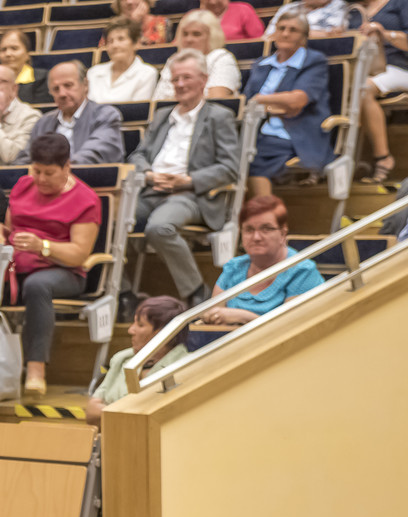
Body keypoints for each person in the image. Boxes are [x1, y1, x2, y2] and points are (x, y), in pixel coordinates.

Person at [130, 50, 241, 304]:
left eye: (186, 78)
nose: (180, 84)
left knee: (159, 228)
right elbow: (137, 155)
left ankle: (196, 294)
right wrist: (148, 175)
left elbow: (229, 167)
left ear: (204, 80)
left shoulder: (219, 117)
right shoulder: (162, 116)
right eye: (175, 79)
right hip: (151, 190)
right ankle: (125, 294)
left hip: (190, 194)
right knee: (108, 222)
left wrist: (188, 181)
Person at [5, 135, 103, 396]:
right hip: (16, 266)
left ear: (66, 167)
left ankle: (36, 369)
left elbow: (78, 254)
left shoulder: (85, 199)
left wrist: (42, 246)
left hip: (63, 271)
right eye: (36, 171)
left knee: (37, 286)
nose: (41, 179)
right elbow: (9, 229)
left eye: (49, 173)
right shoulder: (22, 186)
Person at [244, 13, 333, 198]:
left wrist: (260, 99)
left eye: (293, 30)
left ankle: (264, 210)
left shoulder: (313, 61)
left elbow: (297, 101)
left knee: (253, 156)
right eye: (281, 28)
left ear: (304, 37)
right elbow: (246, 101)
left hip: (294, 132)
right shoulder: (261, 64)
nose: (285, 34)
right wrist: (274, 105)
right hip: (256, 128)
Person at [198, 195, 323, 324]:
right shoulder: (233, 267)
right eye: (249, 230)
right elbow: (211, 320)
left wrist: (243, 317)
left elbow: (291, 329)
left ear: (283, 233)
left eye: (266, 229)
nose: (256, 237)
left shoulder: (303, 271)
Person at [86, 295, 189, 421]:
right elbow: (91, 411)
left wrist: (109, 412)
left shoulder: (186, 367)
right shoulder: (122, 359)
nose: (130, 330)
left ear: (163, 334)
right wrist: (126, 415)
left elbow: (161, 417)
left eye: (140, 325)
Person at [19, 62, 126, 165]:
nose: (62, 94)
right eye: (56, 89)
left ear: (85, 85)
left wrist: (60, 170)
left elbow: (95, 153)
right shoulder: (43, 123)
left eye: (68, 85)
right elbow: (26, 159)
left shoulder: (105, 115)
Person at [359, 0, 408, 183]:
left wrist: (384, 33)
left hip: (399, 67)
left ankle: (383, 158)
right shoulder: (351, 9)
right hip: (362, 69)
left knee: (363, 89)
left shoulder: (400, 3)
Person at [159, 11, 243, 100]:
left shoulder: (221, 58)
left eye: (196, 34)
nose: (189, 39)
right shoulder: (174, 60)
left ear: (212, 36)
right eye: (185, 34)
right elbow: (157, 100)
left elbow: (216, 101)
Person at [91, 18, 161, 102]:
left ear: (136, 43)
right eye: (110, 41)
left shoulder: (147, 73)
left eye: (121, 39)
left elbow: (138, 108)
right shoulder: (93, 72)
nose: (115, 45)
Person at [0, 29, 52, 106]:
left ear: (27, 54)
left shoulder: (43, 78)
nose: (8, 54)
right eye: (3, 50)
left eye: (14, 48)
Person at [267, 0, 350, 37]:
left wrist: (293, 32)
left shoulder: (338, 5)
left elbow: (333, 35)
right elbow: (268, 36)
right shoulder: (287, 8)